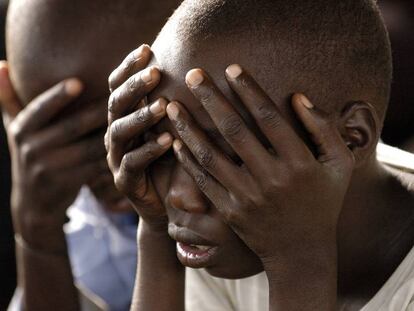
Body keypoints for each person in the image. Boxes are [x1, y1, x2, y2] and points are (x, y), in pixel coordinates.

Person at [107, 0, 414, 310]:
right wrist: (157, 230)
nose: (179, 197)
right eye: (164, 150)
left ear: (351, 139)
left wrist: (300, 261)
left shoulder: (255, 224)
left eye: (226, 156)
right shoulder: (230, 237)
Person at [1, 0, 181, 310]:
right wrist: (38, 236)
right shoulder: (85, 225)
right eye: (66, 136)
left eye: (132, 121)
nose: (111, 157)